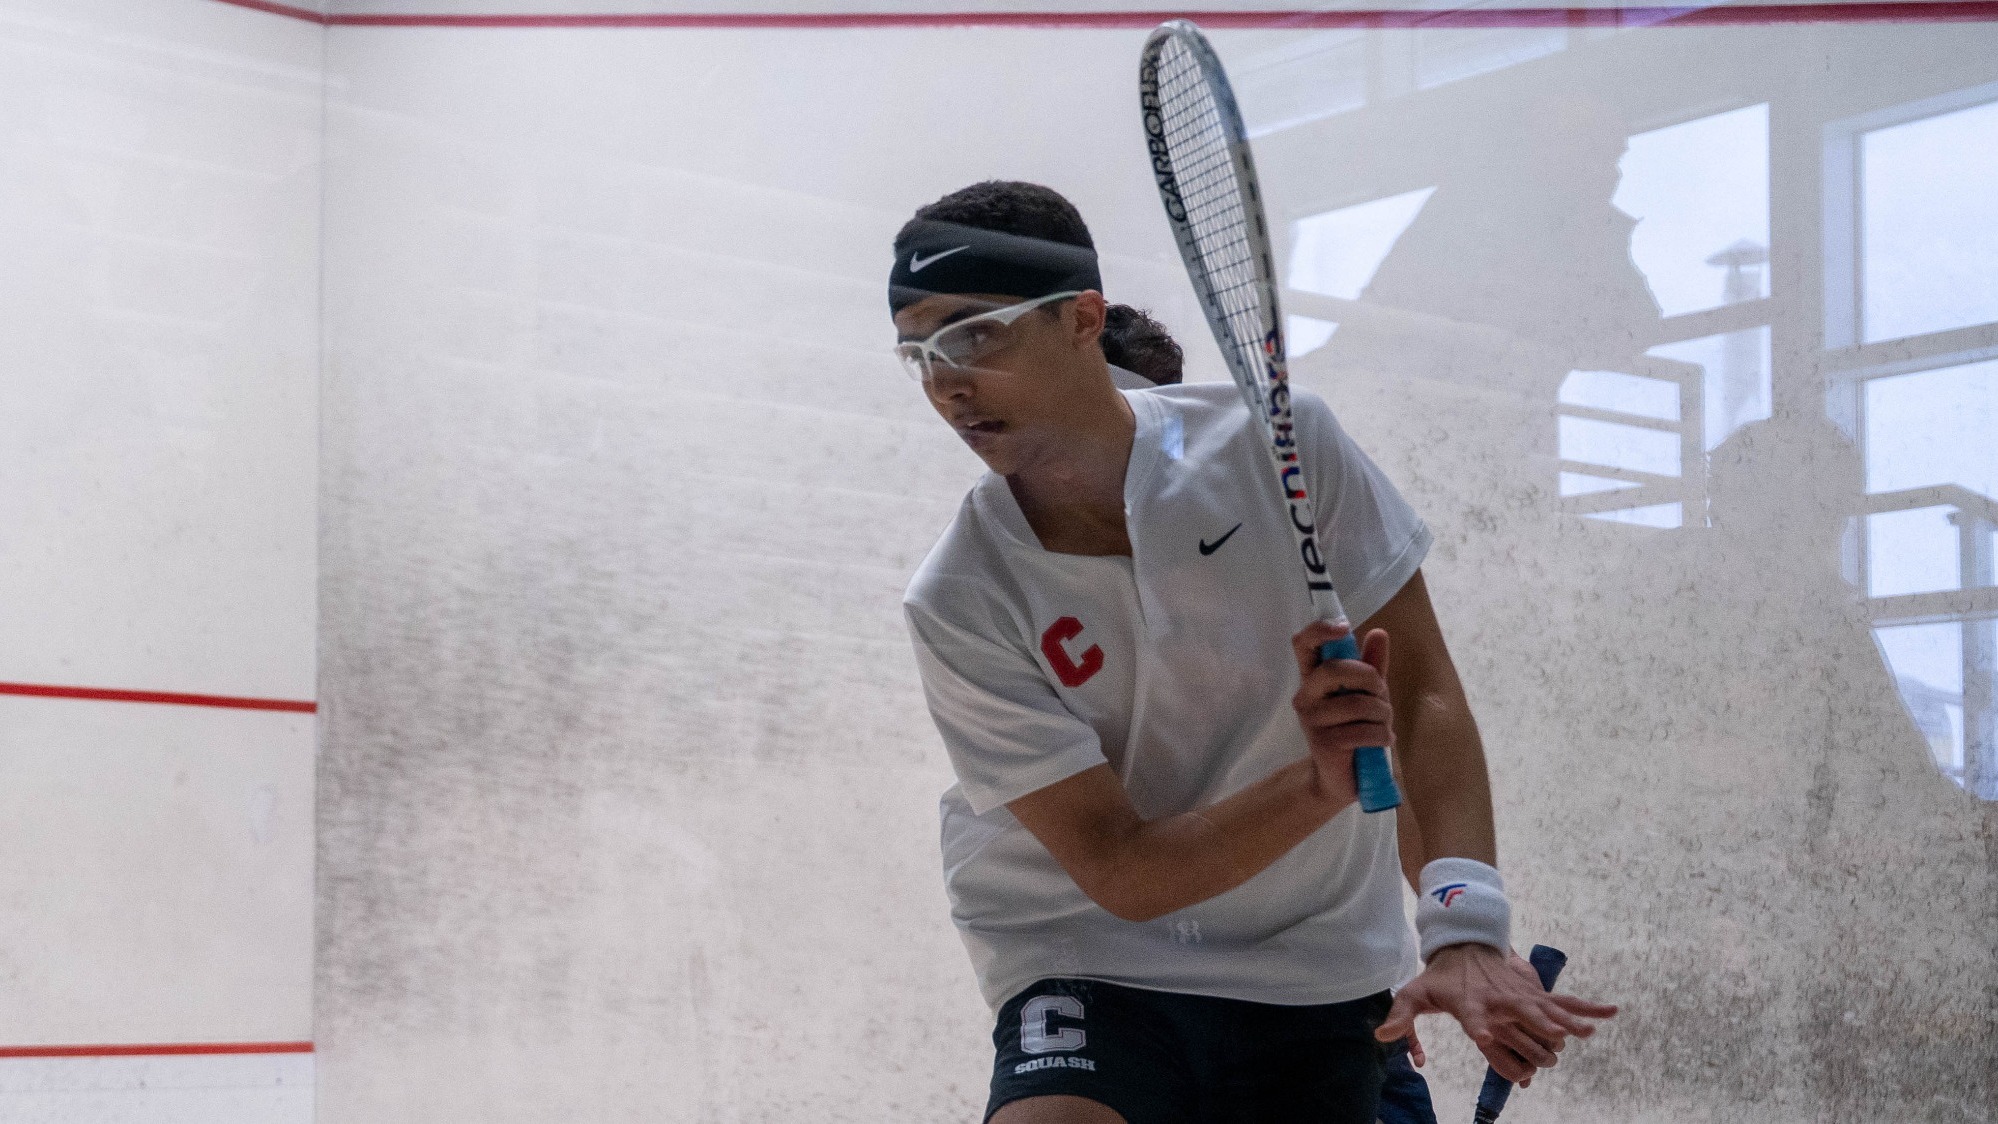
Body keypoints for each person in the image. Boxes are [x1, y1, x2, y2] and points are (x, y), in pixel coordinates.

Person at [891, 180, 1615, 1123]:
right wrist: (1319, 787)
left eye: (975, 335)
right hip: (1084, 953)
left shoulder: (1284, 444)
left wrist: (1463, 927)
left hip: (1315, 966)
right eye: (919, 353)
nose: (945, 381)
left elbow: (1422, 694)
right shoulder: (960, 595)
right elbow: (1124, 872)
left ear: (1082, 319)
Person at [1096, 300, 1439, 1124]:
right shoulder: (1013, 587)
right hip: (1140, 1007)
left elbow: (1411, 734)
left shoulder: (1275, 540)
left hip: (1339, 1007)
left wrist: (1462, 934)